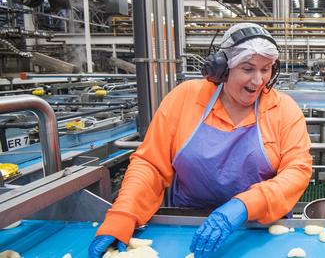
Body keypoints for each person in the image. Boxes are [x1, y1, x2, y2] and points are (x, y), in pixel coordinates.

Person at [88, 23, 312, 258]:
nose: (258, 81)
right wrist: (123, 216)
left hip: (260, 229)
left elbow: (296, 171)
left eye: (266, 69)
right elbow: (151, 165)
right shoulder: (185, 98)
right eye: (248, 69)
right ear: (222, 68)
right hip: (187, 225)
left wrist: (245, 206)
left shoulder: (283, 109)